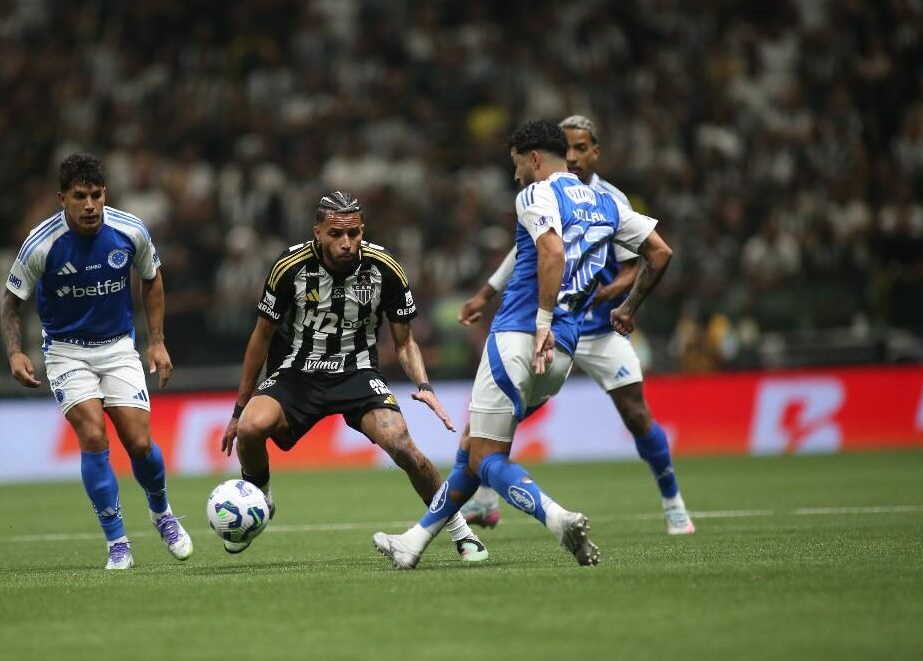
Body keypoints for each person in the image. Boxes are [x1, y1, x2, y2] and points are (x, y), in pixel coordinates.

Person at [374, 120, 673, 569]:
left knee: (488, 457)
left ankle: (557, 517)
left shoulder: (536, 194)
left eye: (517, 164)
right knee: (475, 448)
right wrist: (629, 308)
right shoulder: (605, 202)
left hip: (520, 335)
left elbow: (551, 253)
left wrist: (541, 324)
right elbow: (660, 252)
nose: (516, 176)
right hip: (565, 352)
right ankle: (413, 543)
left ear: (534, 159)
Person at [456, 115, 695, 536]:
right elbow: (526, 250)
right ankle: (486, 501)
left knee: (636, 413)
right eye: (567, 148)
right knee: (485, 416)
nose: (573, 155)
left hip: (599, 329)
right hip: (554, 328)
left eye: (581, 148)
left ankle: (673, 502)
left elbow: (633, 263)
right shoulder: (543, 195)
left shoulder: (608, 198)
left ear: (595, 151)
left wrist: (618, 300)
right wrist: (486, 293)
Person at [219, 191, 488, 561]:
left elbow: (405, 342)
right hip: (297, 373)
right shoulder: (290, 267)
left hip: (357, 372)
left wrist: (424, 385)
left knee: (405, 448)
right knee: (250, 429)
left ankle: (462, 532)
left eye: (355, 233)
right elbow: (260, 337)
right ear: (318, 232)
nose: (347, 243)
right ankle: (261, 502)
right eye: (336, 234)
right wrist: (238, 409)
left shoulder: (385, 268)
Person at [1, 152, 192, 571]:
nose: (90, 205)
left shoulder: (130, 230)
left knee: (140, 442)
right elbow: (12, 301)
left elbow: (152, 277)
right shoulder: (41, 244)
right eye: (80, 196)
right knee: (93, 437)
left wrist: (156, 342)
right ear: (62, 199)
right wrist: (15, 352)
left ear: (106, 194)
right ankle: (117, 542)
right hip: (66, 351)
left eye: (96, 195)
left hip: (118, 347)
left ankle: (162, 514)